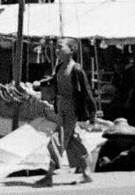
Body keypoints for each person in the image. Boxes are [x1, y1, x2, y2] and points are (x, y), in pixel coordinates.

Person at [37, 39, 94, 184]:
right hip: (61, 106)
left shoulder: (76, 69)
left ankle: (49, 175)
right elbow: (56, 82)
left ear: (71, 50)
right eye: (56, 48)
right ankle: (86, 172)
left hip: (71, 108)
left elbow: (87, 92)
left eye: (60, 48)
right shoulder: (60, 67)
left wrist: (91, 113)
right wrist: (43, 84)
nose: (57, 51)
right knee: (72, 140)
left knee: (56, 140)